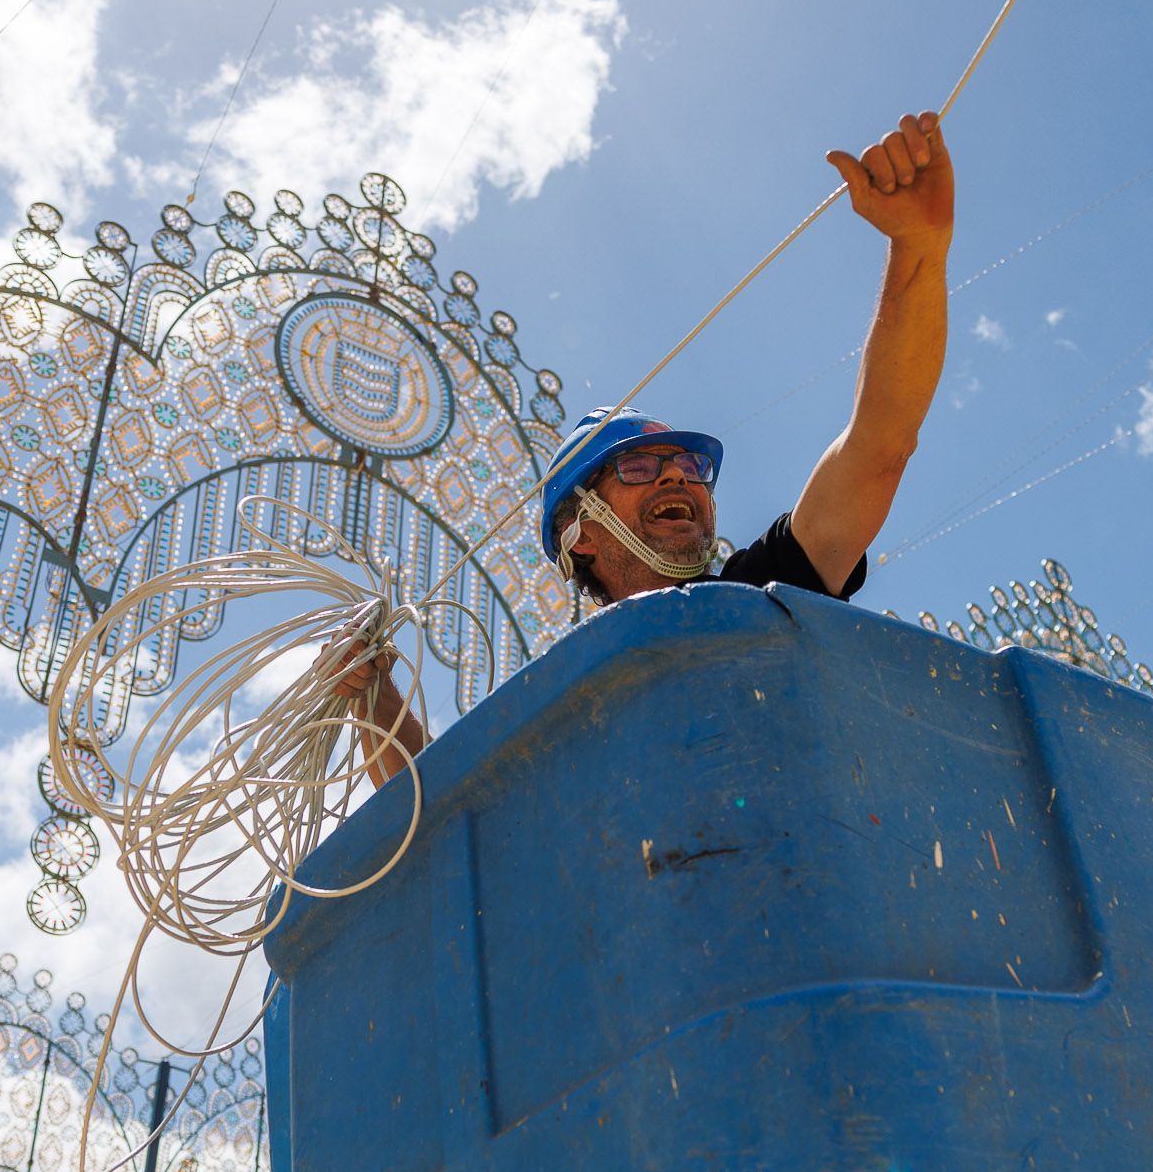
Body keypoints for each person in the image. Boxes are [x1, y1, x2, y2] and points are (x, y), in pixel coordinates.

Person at [328, 111, 954, 786]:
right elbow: (443, 815)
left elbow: (880, 442)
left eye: (689, 465)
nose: (677, 478)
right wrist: (371, 695)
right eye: (637, 467)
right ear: (580, 536)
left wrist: (917, 248)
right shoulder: (561, 710)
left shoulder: (763, 590)